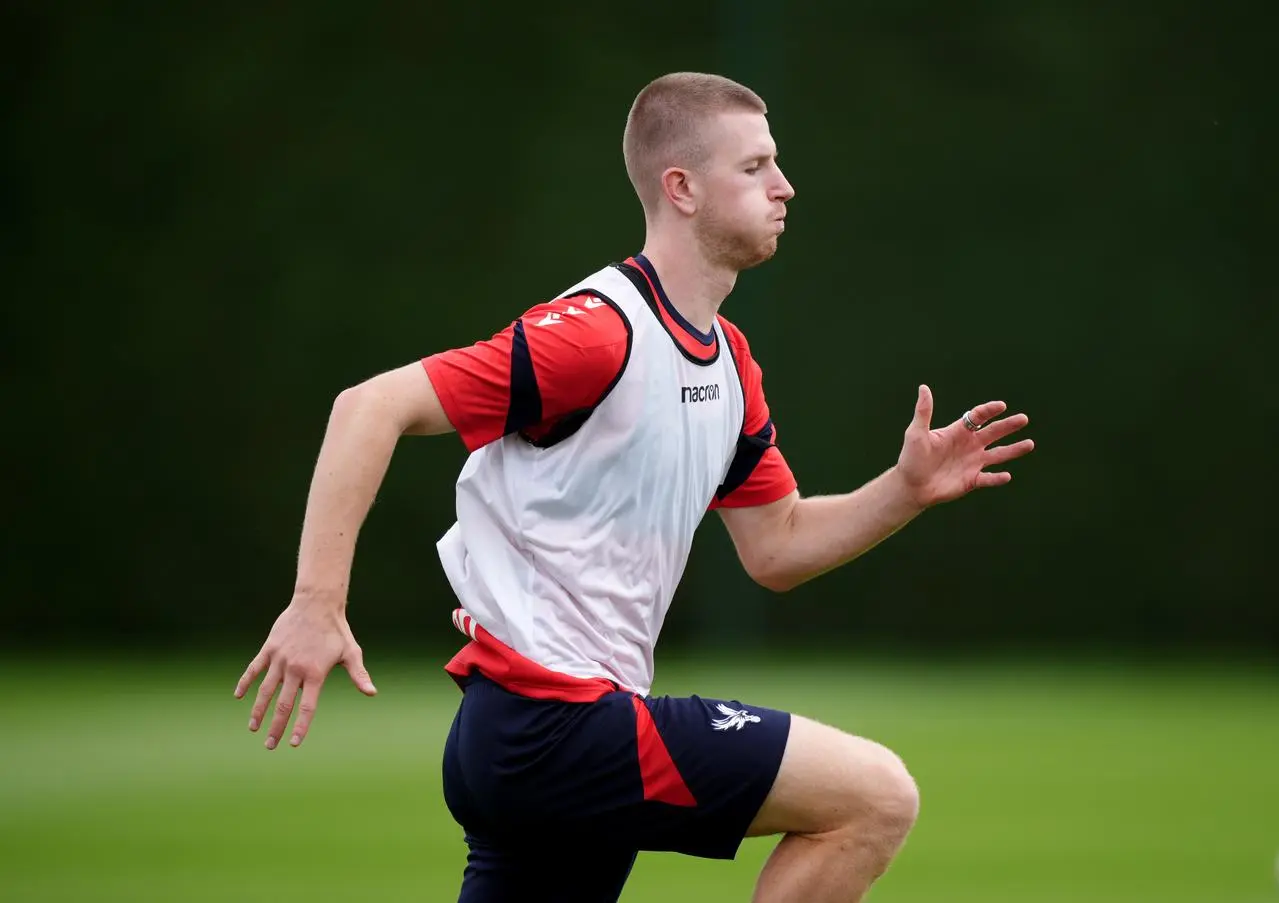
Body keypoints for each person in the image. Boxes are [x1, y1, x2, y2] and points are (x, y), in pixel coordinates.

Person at [234, 71, 1034, 902]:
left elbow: (778, 546)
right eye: (755, 166)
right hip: (554, 723)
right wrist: (316, 601)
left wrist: (903, 490)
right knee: (874, 797)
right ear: (680, 188)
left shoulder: (728, 363)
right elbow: (369, 406)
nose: (784, 185)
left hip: (533, 741)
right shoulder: (596, 334)